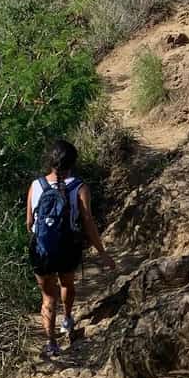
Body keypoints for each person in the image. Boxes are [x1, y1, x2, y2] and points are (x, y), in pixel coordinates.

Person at [26, 138, 113, 359]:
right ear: (73, 162)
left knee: (47, 296)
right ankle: (67, 319)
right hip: (68, 247)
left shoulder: (36, 185)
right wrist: (102, 253)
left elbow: (29, 223)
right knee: (67, 283)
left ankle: (51, 343)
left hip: (41, 250)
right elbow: (88, 222)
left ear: (50, 161)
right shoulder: (80, 187)